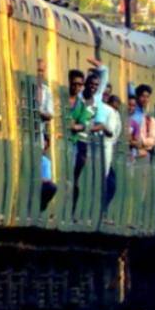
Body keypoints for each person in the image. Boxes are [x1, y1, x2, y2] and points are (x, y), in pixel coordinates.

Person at [68, 58, 107, 213]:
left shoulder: (95, 103)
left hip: (83, 142)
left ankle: (73, 208)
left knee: (76, 177)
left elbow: (96, 123)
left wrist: (85, 126)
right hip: (75, 140)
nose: (93, 87)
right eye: (90, 84)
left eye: (96, 85)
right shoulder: (80, 100)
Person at [36, 58, 57, 207]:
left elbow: (50, 114)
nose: (40, 73)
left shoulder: (46, 91)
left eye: (42, 71)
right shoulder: (22, 88)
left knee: (45, 162)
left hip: (39, 135)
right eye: (38, 70)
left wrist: (37, 113)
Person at [129, 84, 155, 159]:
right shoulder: (133, 113)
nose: (145, 99)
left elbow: (153, 139)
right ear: (137, 97)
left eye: (147, 97)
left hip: (142, 152)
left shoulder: (147, 117)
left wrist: (142, 142)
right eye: (143, 96)